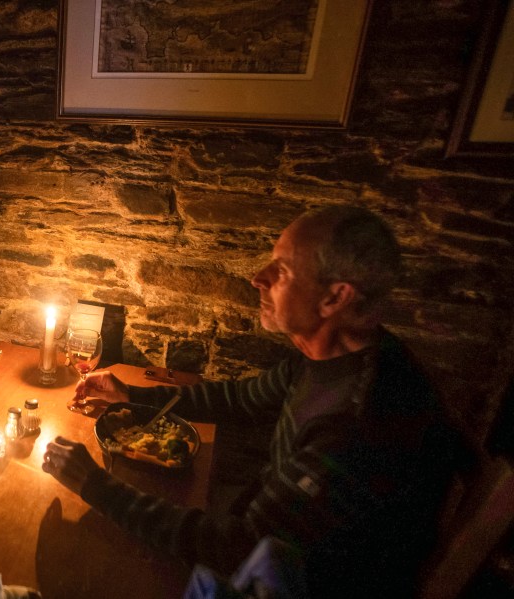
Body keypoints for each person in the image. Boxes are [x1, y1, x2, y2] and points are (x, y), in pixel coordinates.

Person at [41, 206, 463, 598]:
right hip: (266, 543)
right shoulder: (336, 353)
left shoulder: (359, 422)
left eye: (280, 270)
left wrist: (92, 484)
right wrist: (133, 396)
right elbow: (240, 398)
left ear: (335, 298)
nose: (257, 277)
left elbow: (237, 547)